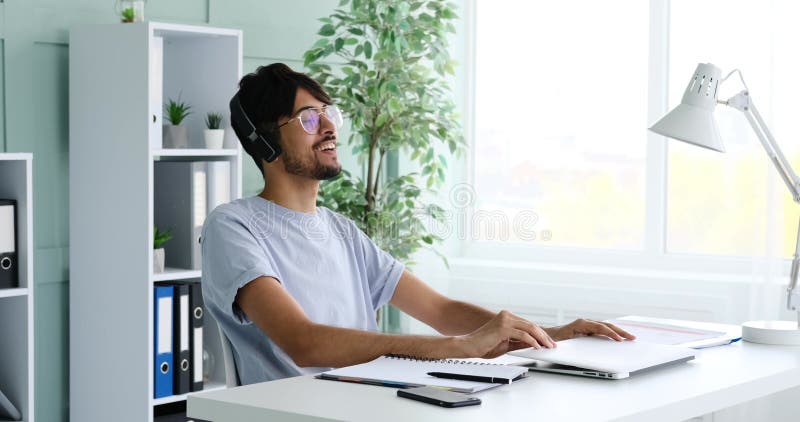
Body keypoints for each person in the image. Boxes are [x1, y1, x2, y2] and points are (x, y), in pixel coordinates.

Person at [201, 63, 635, 385]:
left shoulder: (340, 230)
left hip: (361, 405)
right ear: (264, 141)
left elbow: (440, 310)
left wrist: (548, 335)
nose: (330, 127)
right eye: (309, 119)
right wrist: (456, 350)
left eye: (329, 114)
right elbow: (303, 341)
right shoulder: (233, 227)